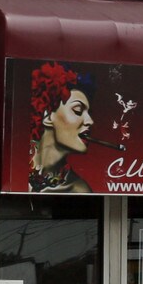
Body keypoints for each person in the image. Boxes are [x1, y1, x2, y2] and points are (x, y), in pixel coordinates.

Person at [27, 61, 94, 193]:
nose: (90, 121)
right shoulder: (12, 168)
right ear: (47, 116)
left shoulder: (79, 190)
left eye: (89, 113)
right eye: (78, 110)